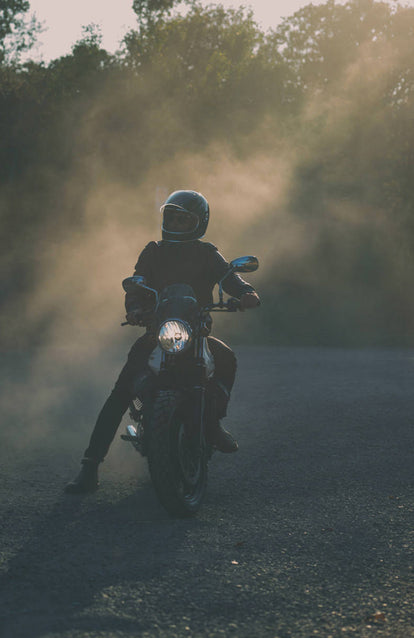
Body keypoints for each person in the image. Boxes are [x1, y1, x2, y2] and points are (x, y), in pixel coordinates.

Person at [65, 190, 260, 494]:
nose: (177, 224)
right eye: (173, 218)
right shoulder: (153, 251)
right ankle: (89, 467)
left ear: (199, 223)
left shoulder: (207, 252)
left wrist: (246, 292)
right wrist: (134, 310)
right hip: (158, 331)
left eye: (184, 219)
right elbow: (137, 282)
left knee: (225, 359)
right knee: (121, 391)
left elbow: (228, 278)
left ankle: (214, 424)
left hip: (195, 332)